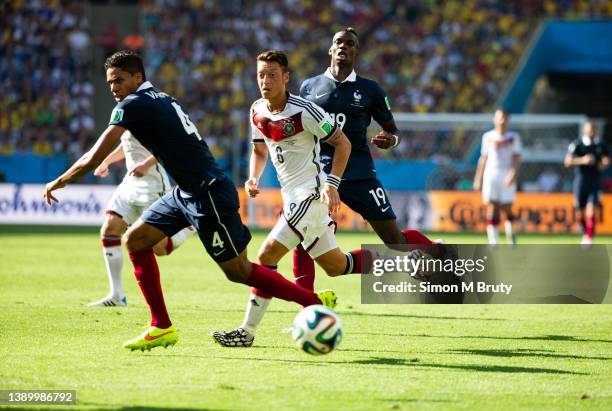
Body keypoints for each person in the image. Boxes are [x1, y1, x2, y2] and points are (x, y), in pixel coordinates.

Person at [43, 50, 337, 352]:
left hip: (207, 193)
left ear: (137, 78)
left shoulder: (133, 105)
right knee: (136, 240)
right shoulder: (162, 98)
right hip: (185, 191)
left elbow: (94, 158)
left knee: (239, 272)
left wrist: (59, 181)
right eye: (109, 83)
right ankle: (161, 326)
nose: (114, 88)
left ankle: (313, 303)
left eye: (119, 81)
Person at [212, 32, 445, 347]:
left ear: (286, 78)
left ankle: (251, 330)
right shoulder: (257, 110)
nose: (265, 81)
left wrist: (332, 184)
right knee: (336, 266)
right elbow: (258, 150)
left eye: (272, 75)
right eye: (261, 75)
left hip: (313, 193)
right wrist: (253, 178)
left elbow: (343, 142)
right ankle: (404, 262)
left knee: (267, 254)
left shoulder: (304, 108)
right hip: (297, 196)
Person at [88, 135, 194, 307]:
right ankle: (116, 295)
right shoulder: (123, 112)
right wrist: (106, 161)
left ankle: (187, 225)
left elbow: (167, 145)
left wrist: (146, 164)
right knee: (109, 229)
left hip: (153, 186)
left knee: (159, 249)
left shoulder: (150, 110)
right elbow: (127, 145)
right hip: (130, 183)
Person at [473, 108, 521, 246]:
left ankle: (511, 235)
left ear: (508, 120)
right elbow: (483, 158)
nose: (501, 120)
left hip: (506, 174)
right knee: (492, 206)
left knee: (507, 207)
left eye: (504, 117)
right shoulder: (487, 137)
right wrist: (478, 179)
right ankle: (493, 241)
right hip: (491, 175)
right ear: (494, 119)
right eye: (499, 117)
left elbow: (517, 158)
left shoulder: (513, 137)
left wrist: (513, 174)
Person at [564, 120, 609, 245]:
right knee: (579, 211)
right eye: (590, 128)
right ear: (585, 129)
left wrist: (604, 164)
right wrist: (582, 160)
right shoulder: (577, 144)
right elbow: (567, 162)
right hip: (580, 182)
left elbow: (606, 160)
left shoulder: (601, 144)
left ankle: (589, 236)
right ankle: (585, 232)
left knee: (591, 209)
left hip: (595, 182)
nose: (592, 131)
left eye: (594, 128)